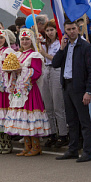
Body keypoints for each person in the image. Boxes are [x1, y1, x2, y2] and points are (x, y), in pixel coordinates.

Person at [52, 20, 91, 163]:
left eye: (73, 29)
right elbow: (55, 63)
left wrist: (88, 91)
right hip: (67, 85)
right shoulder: (65, 46)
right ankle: (73, 149)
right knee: (71, 121)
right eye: (68, 29)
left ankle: (87, 151)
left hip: (80, 87)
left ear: (78, 29)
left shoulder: (85, 47)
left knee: (84, 121)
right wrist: (61, 48)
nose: (71, 32)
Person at [4, 29, 51, 156]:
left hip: (30, 89)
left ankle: (36, 146)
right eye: (22, 39)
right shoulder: (17, 55)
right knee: (22, 117)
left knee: (30, 116)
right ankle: (27, 146)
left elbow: (37, 72)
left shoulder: (34, 55)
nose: (24, 42)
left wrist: (22, 70)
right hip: (18, 90)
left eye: (27, 39)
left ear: (32, 41)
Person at [36, 21, 67, 149]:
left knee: (58, 105)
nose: (49, 33)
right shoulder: (45, 44)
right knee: (48, 106)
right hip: (47, 70)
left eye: (52, 30)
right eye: (47, 30)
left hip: (56, 70)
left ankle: (63, 134)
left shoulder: (60, 43)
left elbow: (56, 59)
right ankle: (52, 133)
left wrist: (44, 54)